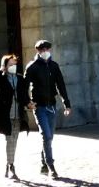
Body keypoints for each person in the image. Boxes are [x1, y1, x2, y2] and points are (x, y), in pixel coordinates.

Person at [24, 38, 71, 177]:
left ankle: (43, 163)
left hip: (52, 106)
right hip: (39, 107)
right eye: (42, 49)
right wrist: (28, 102)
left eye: (46, 49)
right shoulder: (32, 67)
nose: (44, 51)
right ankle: (51, 166)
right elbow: (24, 86)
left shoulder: (54, 66)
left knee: (49, 138)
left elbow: (61, 85)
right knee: (47, 135)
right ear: (38, 51)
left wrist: (67, 104)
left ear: (49, 49)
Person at [0, 51, 32, 180]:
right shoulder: (1, 78)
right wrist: (0, 70)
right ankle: (11, 165)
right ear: (5, 66)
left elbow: (24, 95)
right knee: (10, 140)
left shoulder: (20, 78)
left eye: (15, 64)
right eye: (11, 64)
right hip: (6, 114)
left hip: (18, 114)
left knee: (15, 140)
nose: (14, 66)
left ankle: (9, 163)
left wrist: (29, 103)